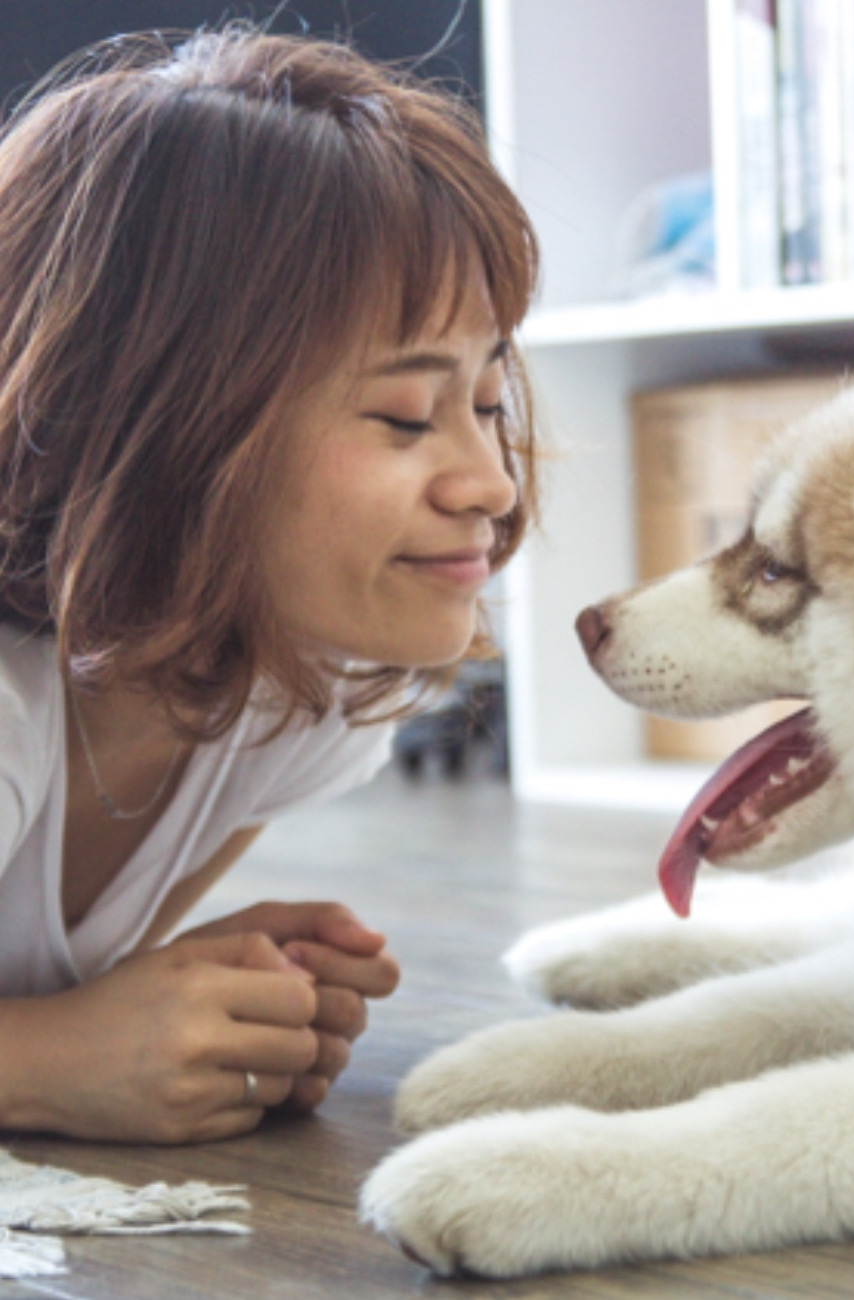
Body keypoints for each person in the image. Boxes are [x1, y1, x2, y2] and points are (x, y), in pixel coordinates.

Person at [0, 24, 539, 1144]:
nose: (489, 481)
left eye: (487, 402)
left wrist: (190, 1003)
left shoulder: (301, 693)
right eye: (402, 416)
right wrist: (50, 1062)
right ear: (167, 429)